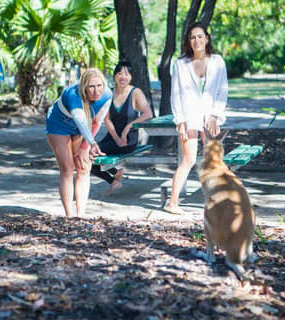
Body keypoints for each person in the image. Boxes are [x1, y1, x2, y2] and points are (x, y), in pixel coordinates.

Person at [165, 22, 228, 215]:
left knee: (215, 159)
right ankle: (172, 203)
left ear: (207, 38)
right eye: (192, 37)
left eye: (200, 36)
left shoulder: (218, 61)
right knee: (188, 159)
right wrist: (180, 120)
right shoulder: (180, 63)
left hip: (211, 117)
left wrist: (215, 114)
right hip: (189, 116)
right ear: (188, 41)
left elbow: (222, 90)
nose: (196, 40)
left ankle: (218, 201)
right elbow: (175, 94)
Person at [46, 68, 112, 218]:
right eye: (91, 87)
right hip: (58, 125)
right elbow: (82, 121)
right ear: (84, 88)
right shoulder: (73, 95)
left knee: (83, 166)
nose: (96, 91)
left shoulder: (107, 95)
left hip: (80, 128)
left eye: (99, 85)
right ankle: (69, 215)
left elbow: (96, 122)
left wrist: (86, 147)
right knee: (68, 169)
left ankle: (80, 215)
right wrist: (92, 142)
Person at [91, 61, 153, 192]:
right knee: (87, 154)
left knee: (89, 155)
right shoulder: (109, 93)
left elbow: (148, 113)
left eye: (127, 73)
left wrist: (128, 127)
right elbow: (107, 119)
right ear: (114, 76)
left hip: (128, 141)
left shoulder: (136, 93)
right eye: (119, 73)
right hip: (111, 138)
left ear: (131, 77)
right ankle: (114, 177)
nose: (123, 77)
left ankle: (114, 177)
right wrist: (116, 137)